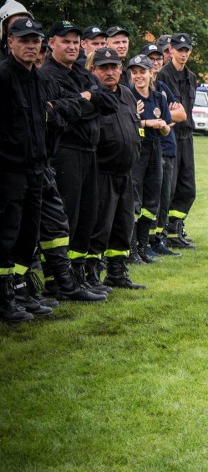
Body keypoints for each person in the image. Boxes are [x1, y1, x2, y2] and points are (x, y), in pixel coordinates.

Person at [36, 20, 111, 303]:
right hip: (66, 151)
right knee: (66, 216)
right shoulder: (47, 75)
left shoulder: (81, 71)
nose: (71, 46)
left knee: (86, 216)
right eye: (64, 41)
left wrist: (81, 102)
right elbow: (56, 116)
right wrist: (86, 102)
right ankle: (57, 279)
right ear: (52, 43)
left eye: (74, 41)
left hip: (89, 151)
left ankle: (76, 275)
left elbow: (108, 101)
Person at [0, 17, 48, 321]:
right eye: (24, 40)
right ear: (10, 43)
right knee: (6, 235)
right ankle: (3, 298)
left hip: (35, 169)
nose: (31, 45)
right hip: (8, 172)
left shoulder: (37, 78)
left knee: (27, 235)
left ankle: (17, 291)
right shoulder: (3, 76)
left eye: (35, 41)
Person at [87, 47, 143, 290]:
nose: (110, 72)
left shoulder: (127, 95)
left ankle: (117, 272)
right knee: (99, 226)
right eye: (104, 68)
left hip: (125, 172)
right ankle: (89, 274)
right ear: (93, 70)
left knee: (123, 225)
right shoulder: (93, 96)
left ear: (121, 69)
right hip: (101, 172)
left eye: (114, 66)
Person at [127, 54, 171, 264]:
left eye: (142, 72)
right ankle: (132, 249)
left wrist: (162, 126)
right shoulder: (127, 95)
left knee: (151, 201)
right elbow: (125, 124)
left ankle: (144, 248)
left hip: (155, 150)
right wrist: (145, 122)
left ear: (151, 73)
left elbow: (166, 129)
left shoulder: (159, 97)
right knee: (134, 201)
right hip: (136, 152)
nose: (138, 76)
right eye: (134, 72)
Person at [157, 33, 198, 249]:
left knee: (187, 186)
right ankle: (162, 232)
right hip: (171, 135)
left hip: (187, 136)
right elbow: (168, 112)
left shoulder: (191, 77)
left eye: (187, 50)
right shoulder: (163, 76)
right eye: (179, 50)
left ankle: (175, 228)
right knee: (169, 187)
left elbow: (185, 111)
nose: (183, 54)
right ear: (171, 50)